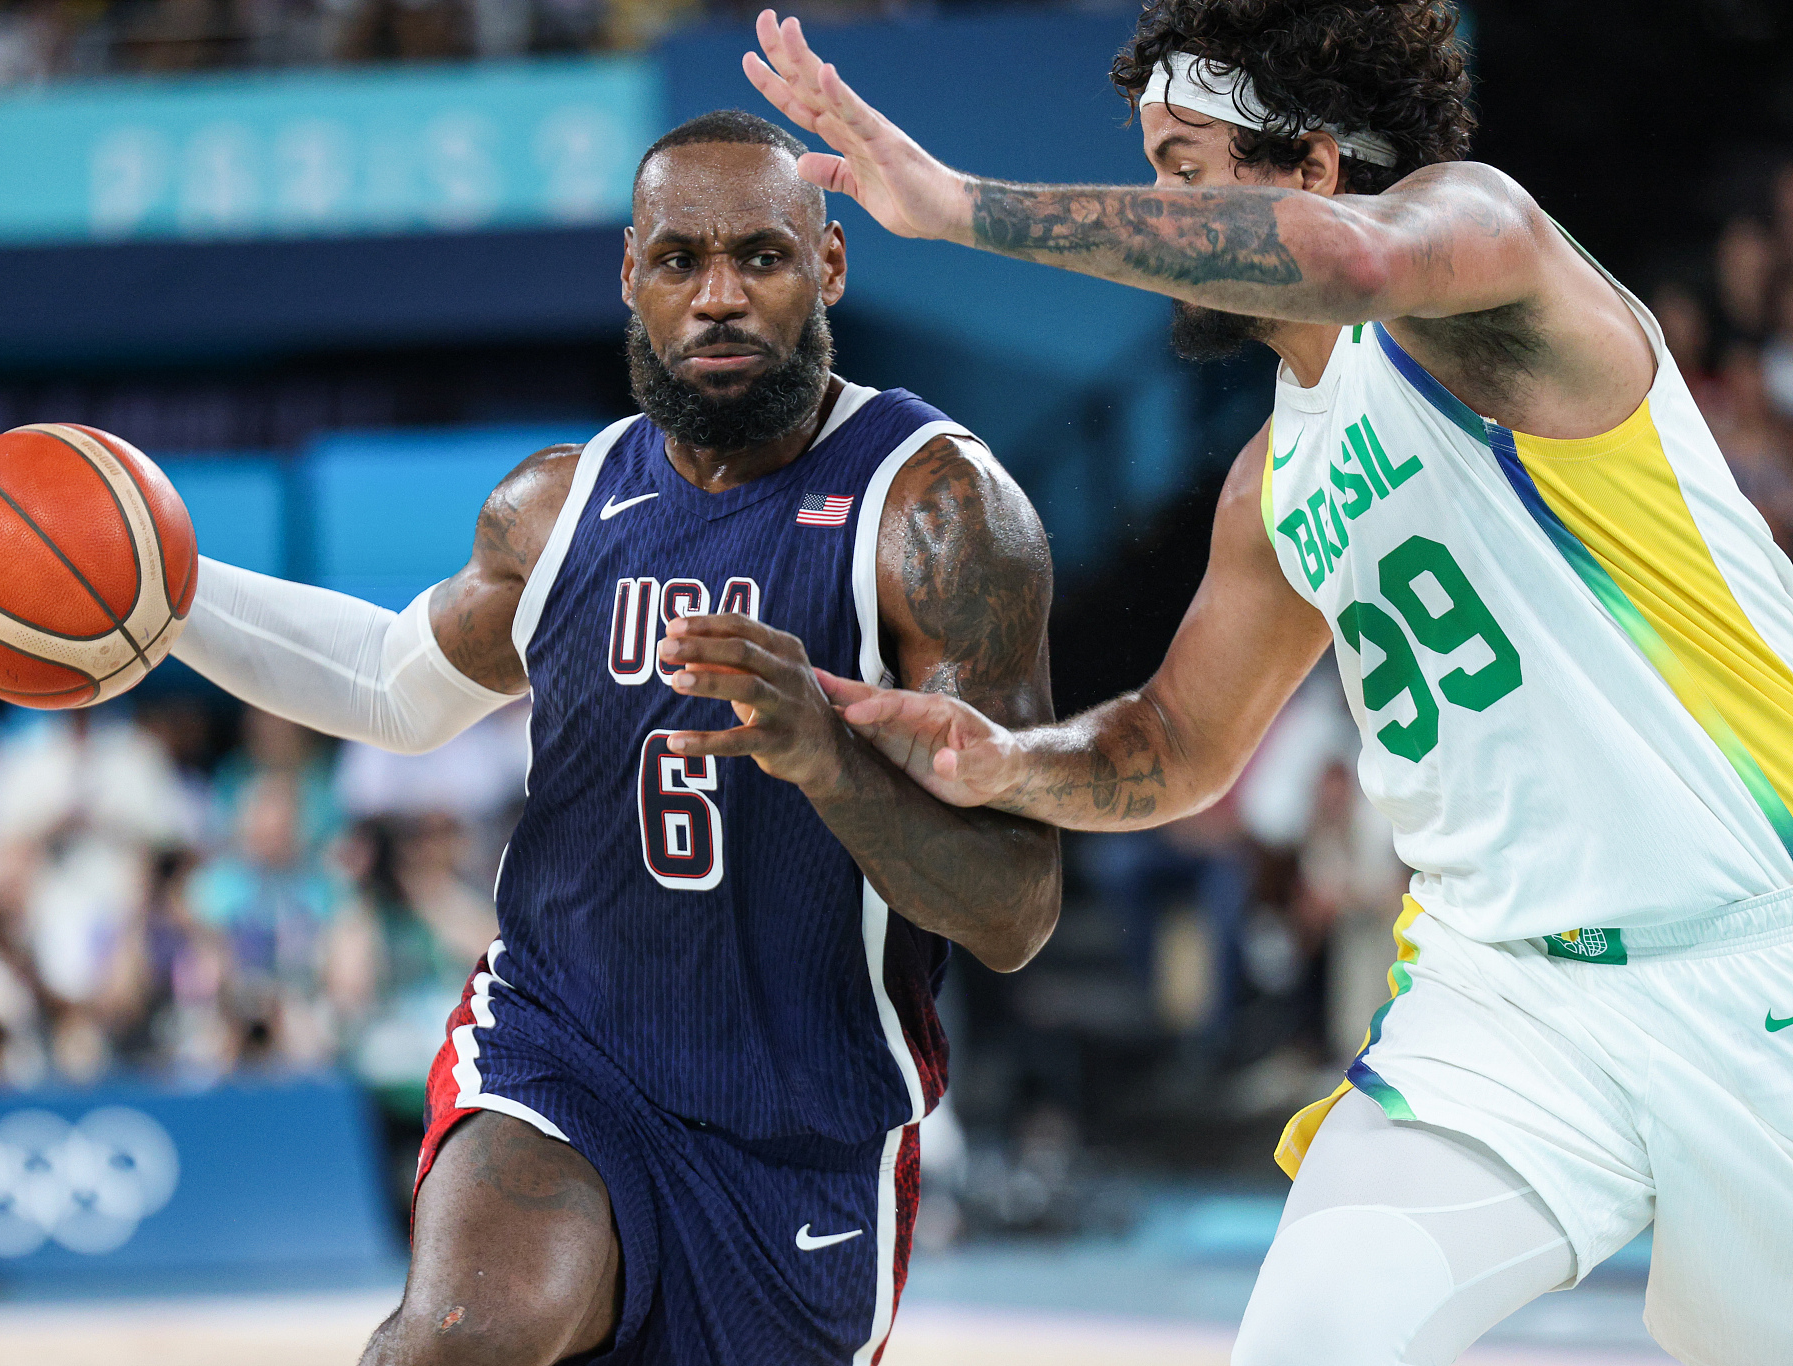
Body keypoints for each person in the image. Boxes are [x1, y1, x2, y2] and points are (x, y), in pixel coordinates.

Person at [745, 2, 1793, 1362]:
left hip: (1752, 950)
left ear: (1309, 163)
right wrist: (1009, 760)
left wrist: (957, 205)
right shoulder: (1271, 482)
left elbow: (1353, 261)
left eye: (1184, 166)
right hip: (1511, 1011)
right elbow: (1176, 741)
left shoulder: (1485, 257)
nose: (1154, 203)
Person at [91, 110, 1053, 1365]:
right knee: (453, 1339)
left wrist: (826, 756)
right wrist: (158, 591)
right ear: (628, 277)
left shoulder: (935, 514)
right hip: (565, 1047)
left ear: (827, 267)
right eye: (678, 261)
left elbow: (1014, 908)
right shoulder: (557, 508)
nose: (716, 297)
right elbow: (392, 683)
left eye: (759, 258)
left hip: (804, 1130)